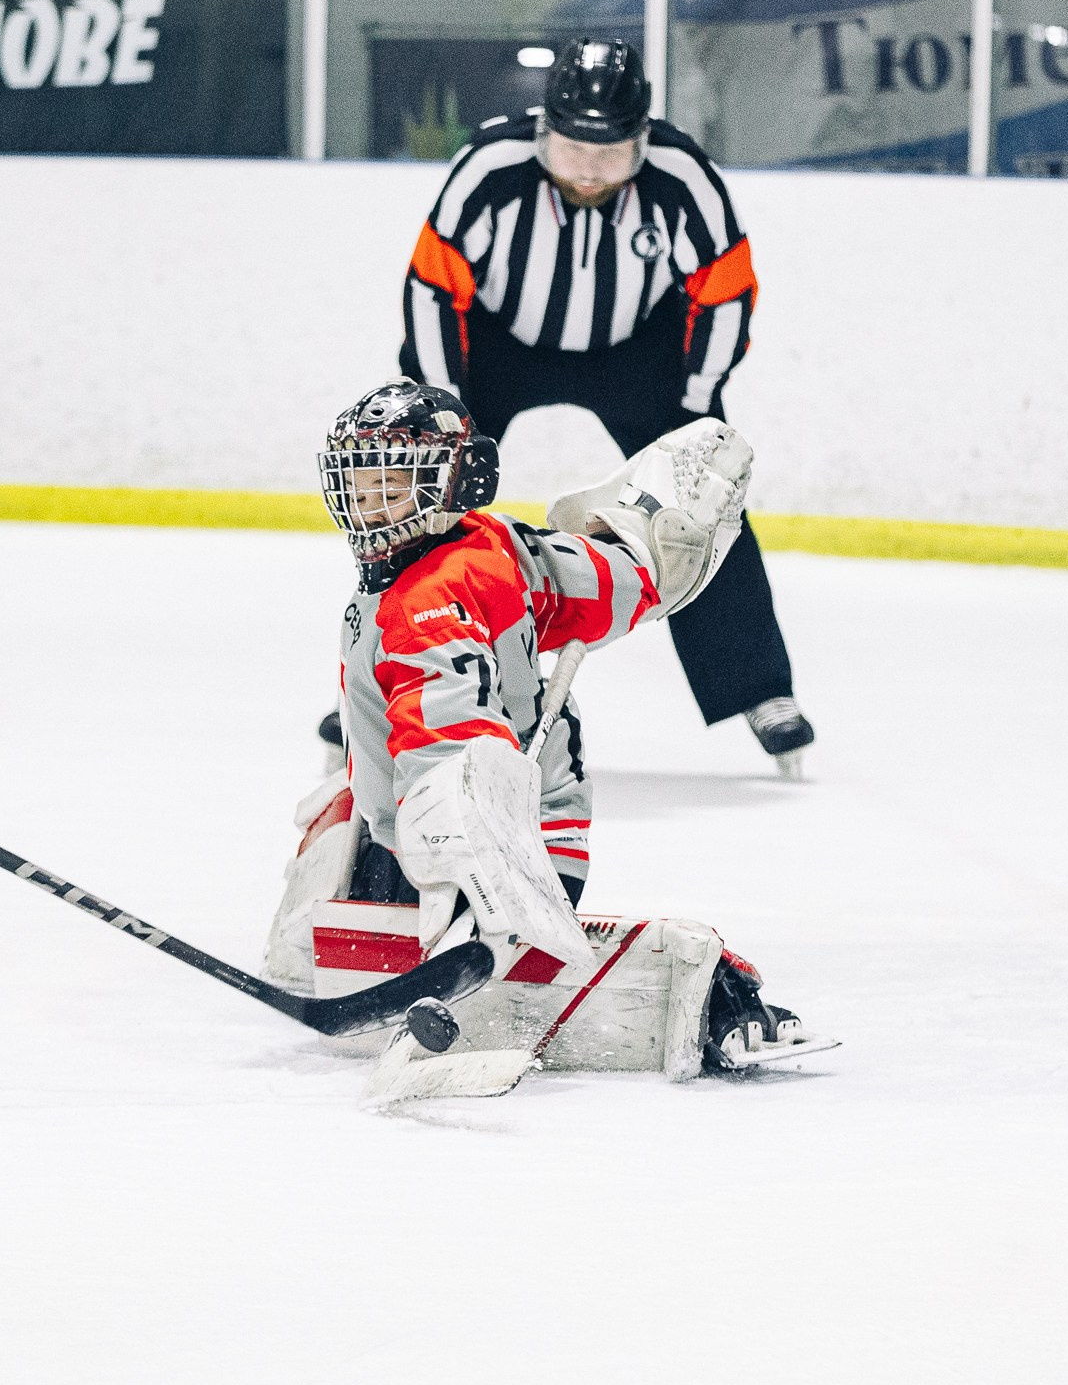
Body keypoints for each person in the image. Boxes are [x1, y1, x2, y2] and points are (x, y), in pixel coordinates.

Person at [267, 381, 827, 1077]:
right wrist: (649, 553)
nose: (370, 503)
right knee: (340, 822)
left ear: (454, 482)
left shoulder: (424, 603)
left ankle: (715, 992)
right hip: (479, 815)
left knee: (427, 924)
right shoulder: (497, 545)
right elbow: (601, 584)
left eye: (393, 484)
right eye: (361, 482)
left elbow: (450, 742)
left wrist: (456, 860)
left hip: (500, 841)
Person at [377, 36, 813, 778]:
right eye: (572, 149)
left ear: (642, 141)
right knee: (424, 490)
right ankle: (394, 669)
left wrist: (694, 406)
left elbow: (726, 291)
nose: (587, 169)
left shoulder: (683, 178)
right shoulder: (489, 169)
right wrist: (446, 408)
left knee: (701, 501)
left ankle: (759, 687)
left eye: (609, 155)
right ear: (543, 131)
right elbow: (432, 286)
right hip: (495, 343)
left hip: (637, 350)